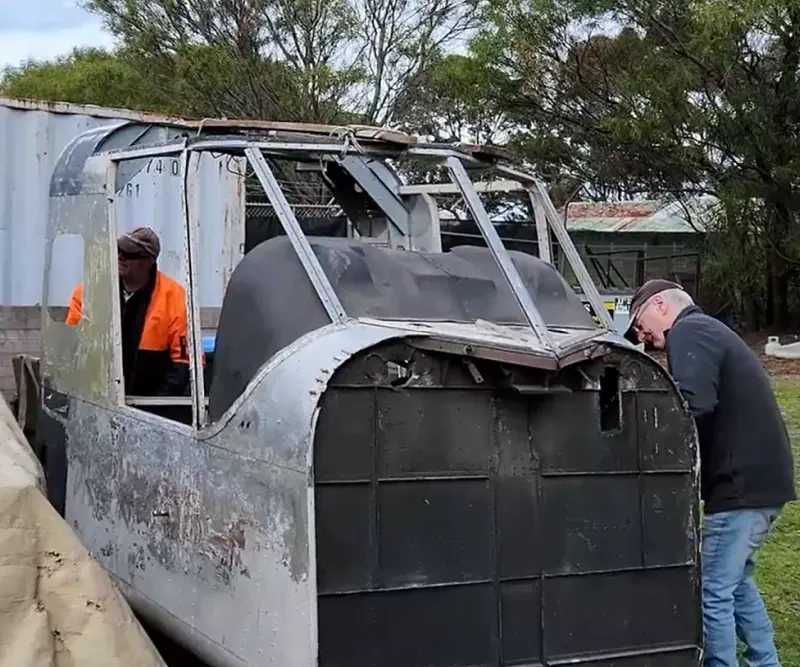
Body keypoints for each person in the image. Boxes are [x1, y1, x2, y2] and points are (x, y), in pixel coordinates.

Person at [625, 279, 796, 667]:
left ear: (660, 304)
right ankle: (765, 662)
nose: (641, 335)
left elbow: (691, 404)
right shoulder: (709, 332)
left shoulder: (689, 330)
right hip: (761, 482)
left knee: (713, 590)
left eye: (639, 323)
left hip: (740, 487)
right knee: (736, 584)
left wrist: (645, 444)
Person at [66, 227, 191, 397]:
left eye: (129, 253)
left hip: (152, 403)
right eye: (118, 250)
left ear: (149, 261)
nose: (120, 257)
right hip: (96, 399)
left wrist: (158, 406)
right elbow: (70, 348)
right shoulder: (87, 292)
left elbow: (184, 363)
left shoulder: (176, 298)